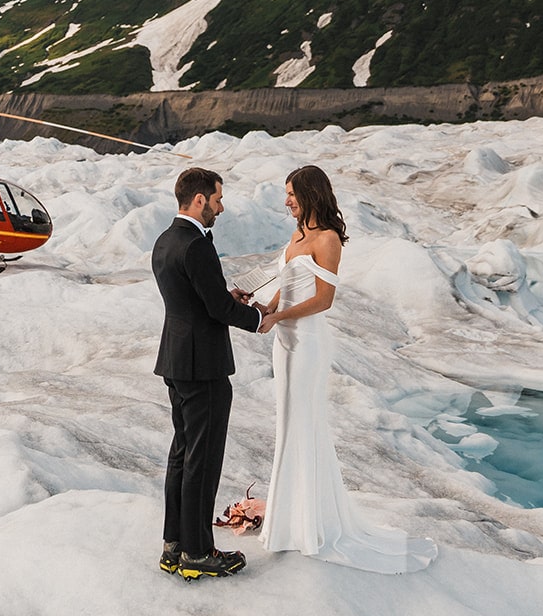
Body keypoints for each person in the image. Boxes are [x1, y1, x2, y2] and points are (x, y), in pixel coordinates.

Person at [254, 165, 437, 572]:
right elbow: (287, 280)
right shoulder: (297, 235)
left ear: (309, 194)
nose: (286, 201)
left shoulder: (328, 239)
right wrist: (269, 307)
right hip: (284, 342)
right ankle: (288, 524)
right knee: (287, 424)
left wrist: (281, 317)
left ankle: (311, 526)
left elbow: (324, 299)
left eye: (291, 194)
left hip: (309, 342)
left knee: (305, 423)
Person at [152, 166, 265, 580]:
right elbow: (216, 310)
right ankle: (198, 553)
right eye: (217, 199)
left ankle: (175, 545)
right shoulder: (195, 245)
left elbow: (196, 299)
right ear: (199, 200)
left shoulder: (166, 240)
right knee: (203, 459)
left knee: (182, 454)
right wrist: (256, 318)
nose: (221, 206)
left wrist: (225, 296)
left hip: (177, 360)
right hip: (203, 366)